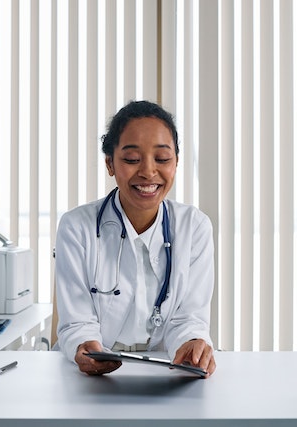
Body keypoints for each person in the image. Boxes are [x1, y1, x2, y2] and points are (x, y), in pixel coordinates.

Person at [54, 100, 216, 377]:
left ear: (176, 162)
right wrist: (85, 346)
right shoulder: (76, 226)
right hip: (90, 377)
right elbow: (77, 321)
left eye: (162, 159)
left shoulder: (194, 226)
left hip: (166, 372)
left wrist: (192, 344)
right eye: (131, 160)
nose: (148, 172)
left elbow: (189, 317)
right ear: (110, 164)